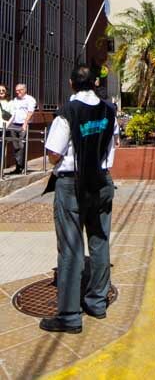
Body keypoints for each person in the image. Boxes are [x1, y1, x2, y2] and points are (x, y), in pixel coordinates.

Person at [39, 65, 118, 334]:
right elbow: (110, 145)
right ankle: (97, 302)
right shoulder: (109, 111)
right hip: (102, 180)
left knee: (71, 248)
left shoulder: (67, 112)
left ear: (72, 83)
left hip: (72, 183)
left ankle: (70, 315)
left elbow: (52, 152)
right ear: (95, 83)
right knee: (99, 241)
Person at [7, 83, 36, 174]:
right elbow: (12, 113)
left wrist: (25, 123)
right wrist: (8, 124)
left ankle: (21, 167)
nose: (17, 92)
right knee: (16, 146)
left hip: (23, 125)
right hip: (14, 125)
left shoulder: (30, 99)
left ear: (25, 90)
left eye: (19, 90)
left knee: (22, 146)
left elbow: (30, 112)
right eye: (16, 90)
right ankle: (18, 167)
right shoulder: (15, 100)